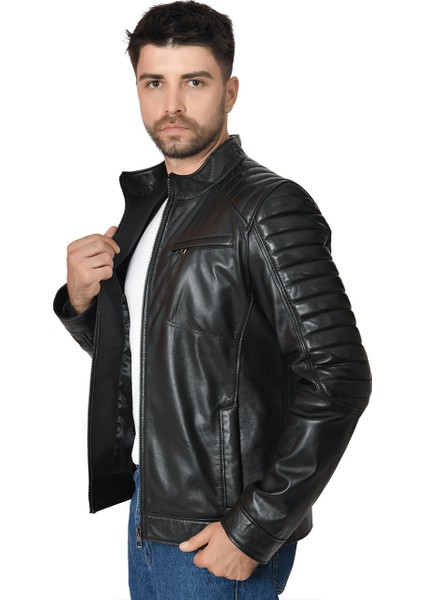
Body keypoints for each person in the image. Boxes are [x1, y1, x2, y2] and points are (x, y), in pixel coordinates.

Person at [54, 2, 372, 598]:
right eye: (154, 83)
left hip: (219, 527)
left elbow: (340, 377)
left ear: (229, 92)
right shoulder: (151, 207)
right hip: (153, 505)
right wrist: (81, 301)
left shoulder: (268, 207)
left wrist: (255, 528)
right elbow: (161, 362)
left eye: (194, 82)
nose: (171, 104)